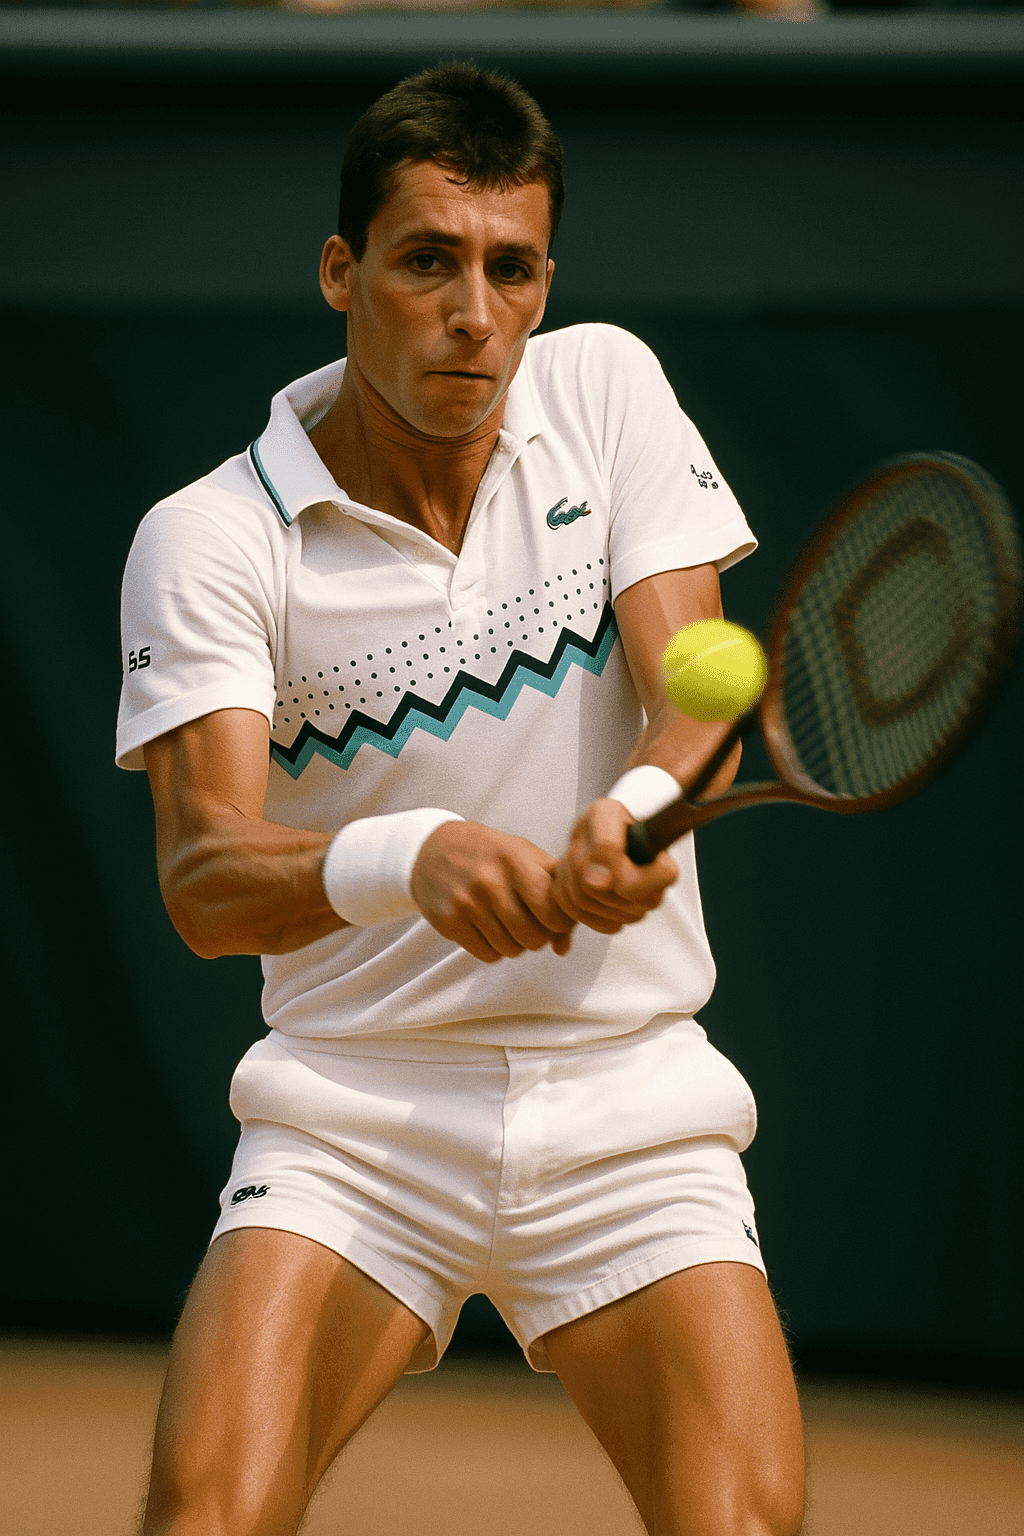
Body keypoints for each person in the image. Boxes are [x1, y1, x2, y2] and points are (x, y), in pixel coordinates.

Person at [116, 63, 805, 1536]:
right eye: (428, 262)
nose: (474, 314)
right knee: (205, 1519)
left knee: (746, 1524)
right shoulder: (211, 538)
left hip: (629, 1095)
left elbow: (700, 685)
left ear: (548, 278)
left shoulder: (605, 388)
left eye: (512, 268)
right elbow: (201, 873)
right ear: (341, 270)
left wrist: (634, 804)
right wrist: (404, 857)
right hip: (357, 1112)